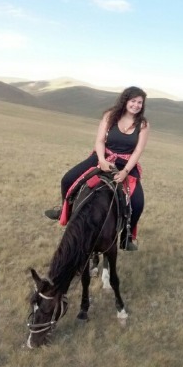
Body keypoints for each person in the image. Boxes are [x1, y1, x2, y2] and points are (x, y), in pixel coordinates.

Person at [44, 86, 150, 251]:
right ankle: (65, 211)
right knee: (68, 179)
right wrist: (101, 160)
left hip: (126, 164)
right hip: (102, 156)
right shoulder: (110, 115)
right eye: (133, 101)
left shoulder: (142, 124)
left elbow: (138, 150)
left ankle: (126, 237)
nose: (136, 105)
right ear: (126, 100)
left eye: (140, 102)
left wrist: (125, 172)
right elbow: (100, 140)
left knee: (138, 202)